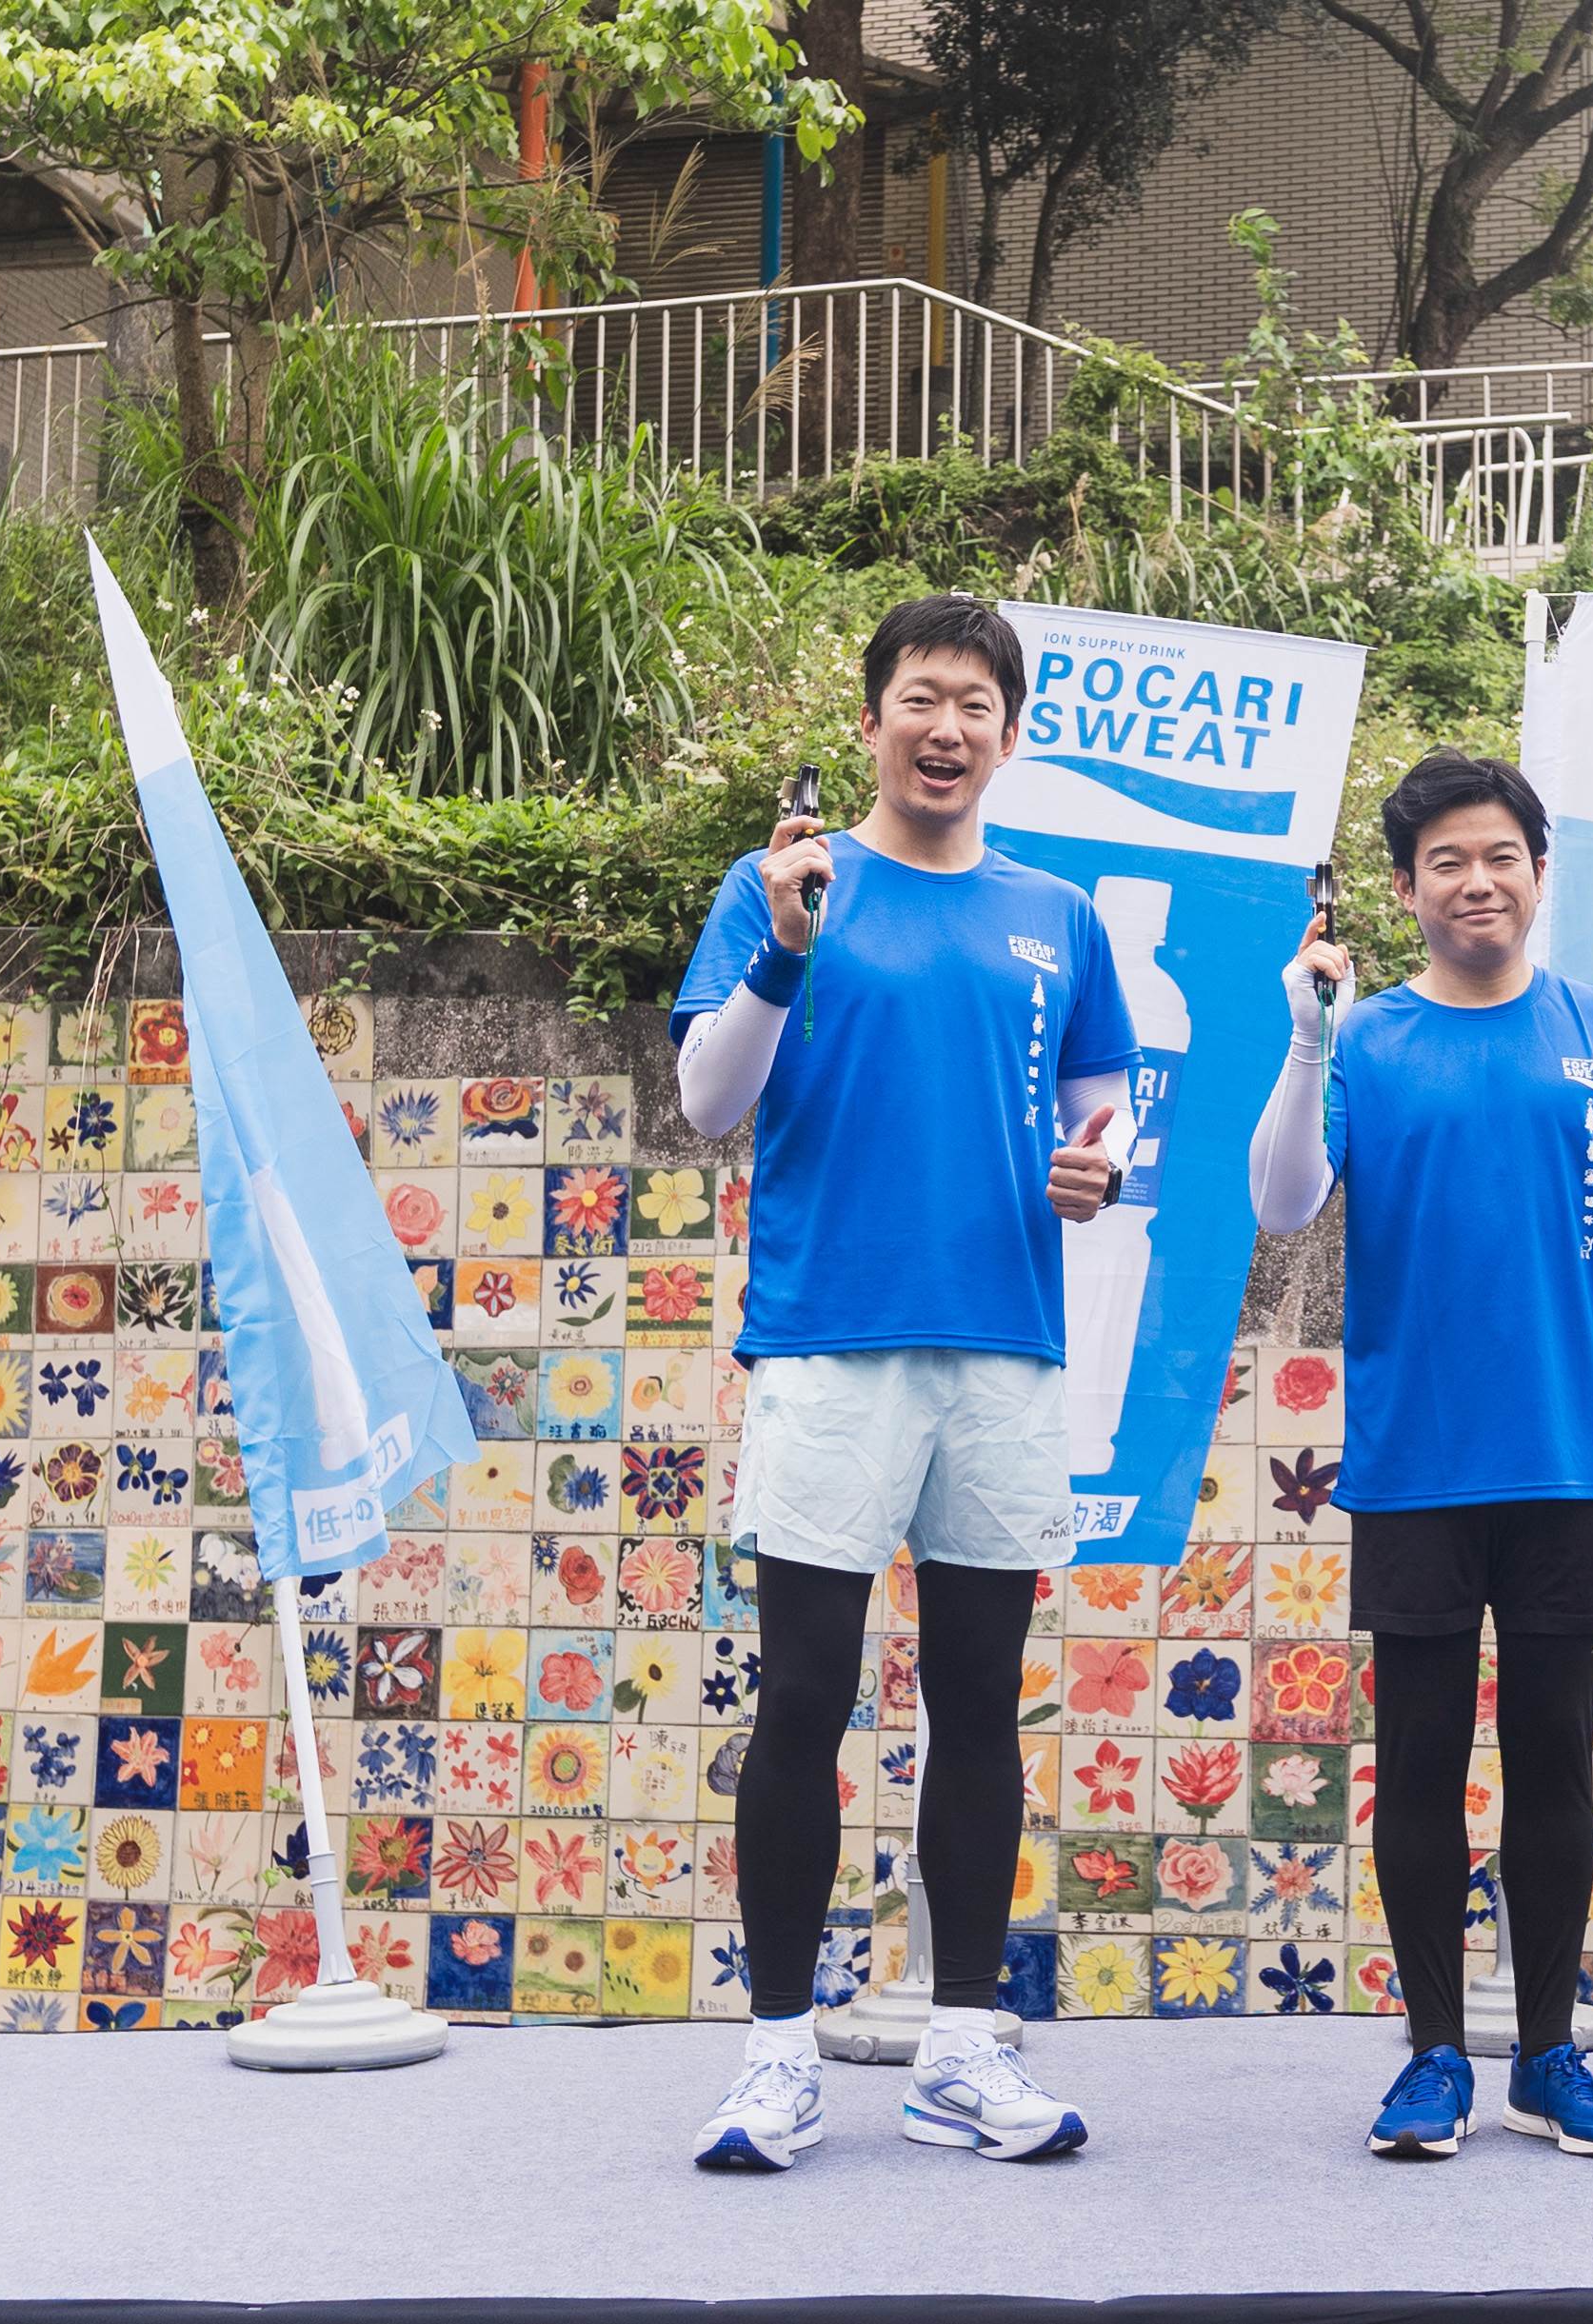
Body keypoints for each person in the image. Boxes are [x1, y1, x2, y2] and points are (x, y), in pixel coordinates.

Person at [670, 593, 1137, 2171]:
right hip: (825, 1338)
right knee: (802, 1698)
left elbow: (1101, 1101)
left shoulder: (1054, 915)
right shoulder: (780, 884)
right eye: (921, 697)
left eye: (979, 704)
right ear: (872, 717)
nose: (949, 727)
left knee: (978, 1709)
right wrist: (788, 951)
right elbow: (702, 1099)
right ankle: (776, 2054)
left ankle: (958, 2044)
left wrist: (1101, 1163)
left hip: (1004, 1347)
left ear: (1011, 734)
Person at [1249, 747, 1593, 2161]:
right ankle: (1433, 2054)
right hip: (1414, 1464)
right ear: (1404, 888)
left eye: (1498, 854)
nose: (1475, 879)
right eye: (1444, 859)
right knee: (1420, 1763)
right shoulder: (1368, 1041)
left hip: (1577, 1462)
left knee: (1554, 1764)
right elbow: (1281, 1205)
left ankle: (1551, 2052)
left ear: (1534, 871)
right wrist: (1309, 1038)